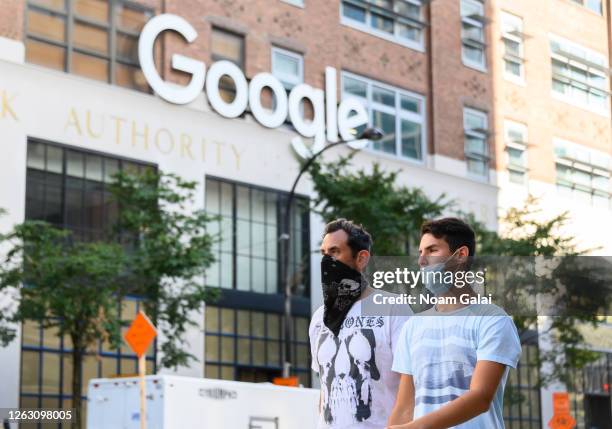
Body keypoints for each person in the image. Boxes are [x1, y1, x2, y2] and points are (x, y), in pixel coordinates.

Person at [387, 217, 521, 429]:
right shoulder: (413, 327)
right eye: (420, 253)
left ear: (460, 256)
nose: (421, 261)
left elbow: (480, 398)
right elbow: (404, 407)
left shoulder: (493, 320)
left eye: (431, 250)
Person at [309, 218, 411, 429]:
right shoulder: (320, 317)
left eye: (335, 252)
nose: (327, 261)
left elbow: (411, 385)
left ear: (361, 258)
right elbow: (325, 386)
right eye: (323, 253)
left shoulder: (392, 308)